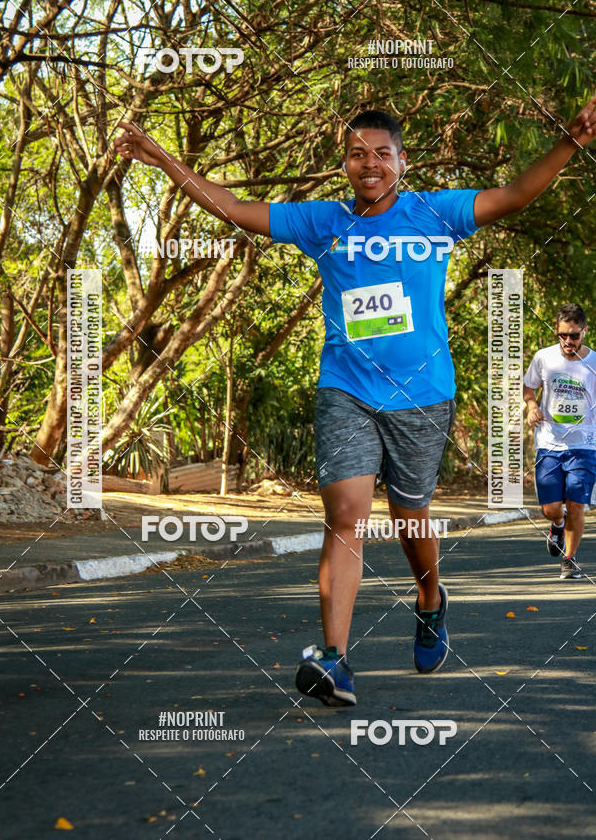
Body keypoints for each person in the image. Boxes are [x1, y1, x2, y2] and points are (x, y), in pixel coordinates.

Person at [115, 97, 596, 706]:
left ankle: (430, 599)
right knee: (345, 517)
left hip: (422, 397)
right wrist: (161, 159)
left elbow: (515, 193)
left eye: (381, 154)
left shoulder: (435, 214)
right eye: (357, 154)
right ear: (344, 163)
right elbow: (233, 207)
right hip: (346, 390)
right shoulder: (324, 222)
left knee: (407, 518)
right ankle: (336, 660)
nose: (369, 164)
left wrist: (569, 143)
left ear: (402, 161)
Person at [523, 303, 596, 579]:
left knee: (576, 502)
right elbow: (529, 386)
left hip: (585, 445)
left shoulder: (594, 363)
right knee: (550, 508)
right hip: (549, 443)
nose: (568, 341)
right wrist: (532, 406)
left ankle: (569, 558)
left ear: (584, 332)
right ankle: (557, 524)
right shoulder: (544, 358)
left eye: (574, 336)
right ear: (556, 331)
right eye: (563, 335)